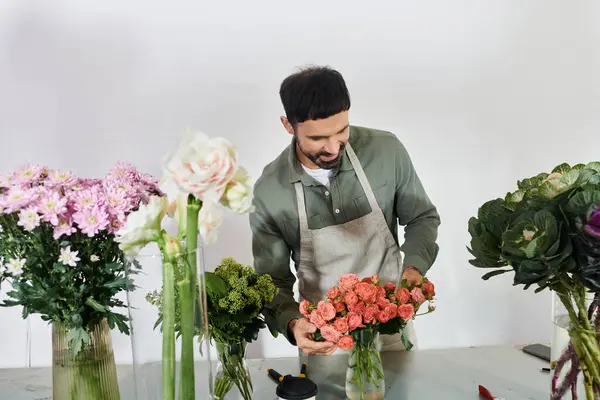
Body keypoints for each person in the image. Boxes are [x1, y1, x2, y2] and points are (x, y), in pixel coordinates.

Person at [249, 65, 440, 356]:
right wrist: (291, 323)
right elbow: (272, 279)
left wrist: (413, 269)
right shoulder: (270, 191)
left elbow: (422, 217)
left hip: (392, 328)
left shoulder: (386, 150)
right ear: (289, 125)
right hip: (324, 341)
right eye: (317, 139)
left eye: (341, 132)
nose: (333, 148)